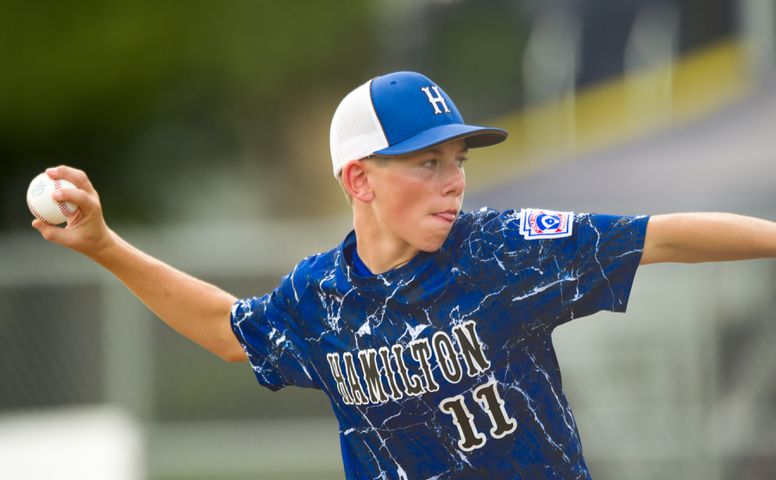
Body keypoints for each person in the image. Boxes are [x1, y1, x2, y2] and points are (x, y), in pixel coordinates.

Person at [33, 71, 776, 479]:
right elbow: (232, 333)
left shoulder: (503, 253)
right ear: (359, 180)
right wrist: (103, 247)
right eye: (427, 162)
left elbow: (663, 238)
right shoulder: (321, 297)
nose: (454, 180)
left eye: (459, 160)